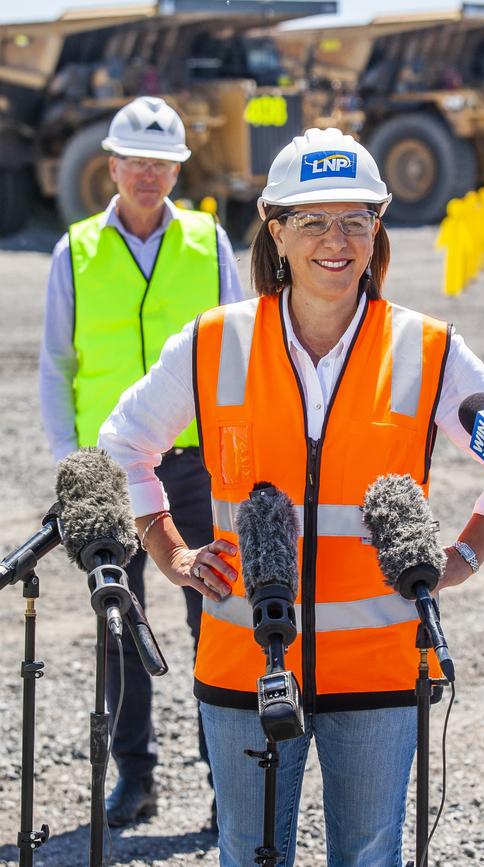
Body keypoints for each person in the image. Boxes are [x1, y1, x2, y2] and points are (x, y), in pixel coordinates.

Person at [98, 127, 484, 866]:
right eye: (311, 220)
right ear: (275, 231)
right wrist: (170, 552)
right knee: (249, 852)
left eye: (355, 220)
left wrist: (467, 551)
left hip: (379, 665)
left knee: (368, 854)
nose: (334, 240)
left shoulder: (425, 345)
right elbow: (123, 446)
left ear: (378, 230)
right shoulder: (214, 342)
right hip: (247, 662)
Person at [39, 96, 243, 829]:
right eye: (136, 160)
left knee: (216, 621)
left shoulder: (209, 241)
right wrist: (74, 469)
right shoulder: (76, 250)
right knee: (119, 626)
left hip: (196, 466)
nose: (149, 173)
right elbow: (56, 366)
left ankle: (230, 786)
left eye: (162, 162)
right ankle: (138, 777)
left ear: (178, 169)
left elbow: (240, 358)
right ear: (113, 165)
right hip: (108, 472)